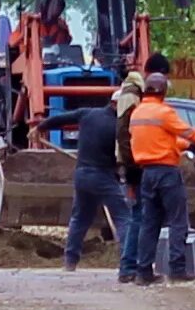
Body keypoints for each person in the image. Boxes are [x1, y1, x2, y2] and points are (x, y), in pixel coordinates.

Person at [127, 71, 195, 285]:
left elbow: (159, 140)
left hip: (146, 174)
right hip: (166, 172)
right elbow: (187, 132)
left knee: (149, 223)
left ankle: (143, 272)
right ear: (163, 90)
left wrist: (186, 146)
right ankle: (177, 269)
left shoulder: (137, 113)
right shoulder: (164, 112)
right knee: (178, 220)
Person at [36, 101, 132, 276]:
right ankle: (129, 260)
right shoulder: (118, 126)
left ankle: (70, 261)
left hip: (82, 176)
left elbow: (60, 119)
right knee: (123, 218)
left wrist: (39, 127)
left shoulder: (87, 113)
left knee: (80, 219)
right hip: (103, 176)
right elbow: (123, 156)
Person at [113, 53, 167, 283]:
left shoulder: (135, 93)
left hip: (135, 162)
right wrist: (132, 169)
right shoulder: (132, 95)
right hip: (135, 164)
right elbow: (124, 134)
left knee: (141, 215)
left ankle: (133, 266)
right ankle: (129, 267)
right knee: (140, 216)